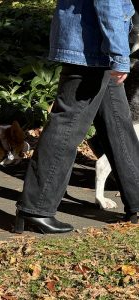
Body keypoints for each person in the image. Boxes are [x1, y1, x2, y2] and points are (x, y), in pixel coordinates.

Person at [15, 0, 139, 234]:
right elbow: (108, 3)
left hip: (93, 44)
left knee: (118, 122)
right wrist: (119, 53)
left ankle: (137, 201)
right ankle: (35, 209)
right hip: (91, 47)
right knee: (68, 124)